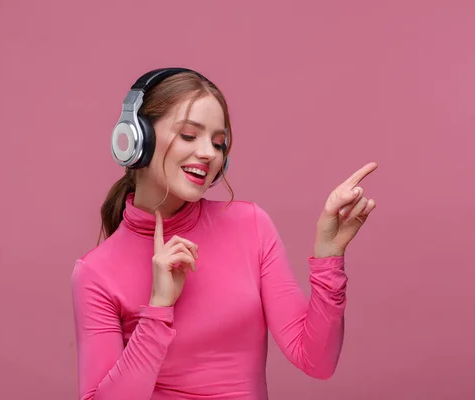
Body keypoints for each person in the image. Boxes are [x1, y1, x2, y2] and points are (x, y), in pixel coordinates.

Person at [70, 67, 377, 400]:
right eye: (189, 135)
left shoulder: (251, 226)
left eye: (219, 143)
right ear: (136, 138)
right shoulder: (95, 272)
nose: (209, 153)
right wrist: (158, 309)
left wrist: (328, 257)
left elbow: (316, 360)